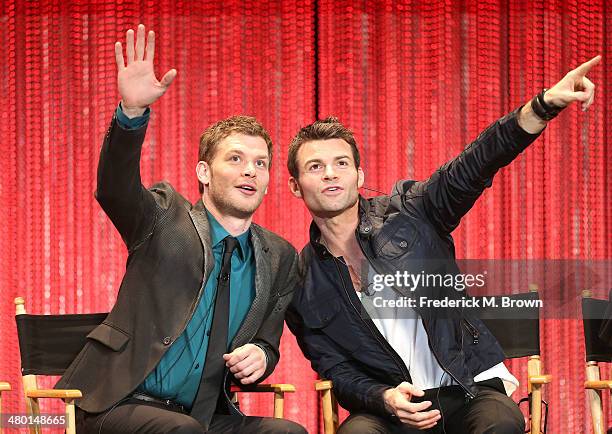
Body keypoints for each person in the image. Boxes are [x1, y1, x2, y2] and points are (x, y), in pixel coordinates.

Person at [285, 56, 600, 433]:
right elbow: (336, 368)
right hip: (394, 406)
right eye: (315, 167)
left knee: (500, 422)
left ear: (359, 174)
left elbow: (475, 163)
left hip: (466, 388)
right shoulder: (301, 280)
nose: (331, 173)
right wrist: (383, 398)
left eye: (341, 163)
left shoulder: (412, 211)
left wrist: (543, 106)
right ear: (295, 185)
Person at [56, 24, 306, 434]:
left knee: (286, 432)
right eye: (236, 159)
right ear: (204, 172)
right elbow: (115, 189)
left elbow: (267, 340)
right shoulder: (163, 217)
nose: (250, 170)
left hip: (203, 414)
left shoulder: (279, 256)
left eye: (260, 163)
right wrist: (131, 114)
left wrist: (261, 355)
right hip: (118, 404)